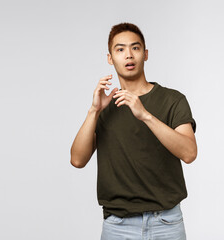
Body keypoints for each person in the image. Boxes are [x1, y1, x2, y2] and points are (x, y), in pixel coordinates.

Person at [70, 22, 197, 240]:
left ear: (145, 54)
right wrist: (94, 111)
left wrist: (145, 115)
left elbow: (189, 153)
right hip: (118, 225)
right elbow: (77, 160)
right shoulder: (104, 106)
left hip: (166, 222)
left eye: (135, 48)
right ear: (110, 58)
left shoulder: (172, 100)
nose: (128, 55)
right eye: (120, 49)